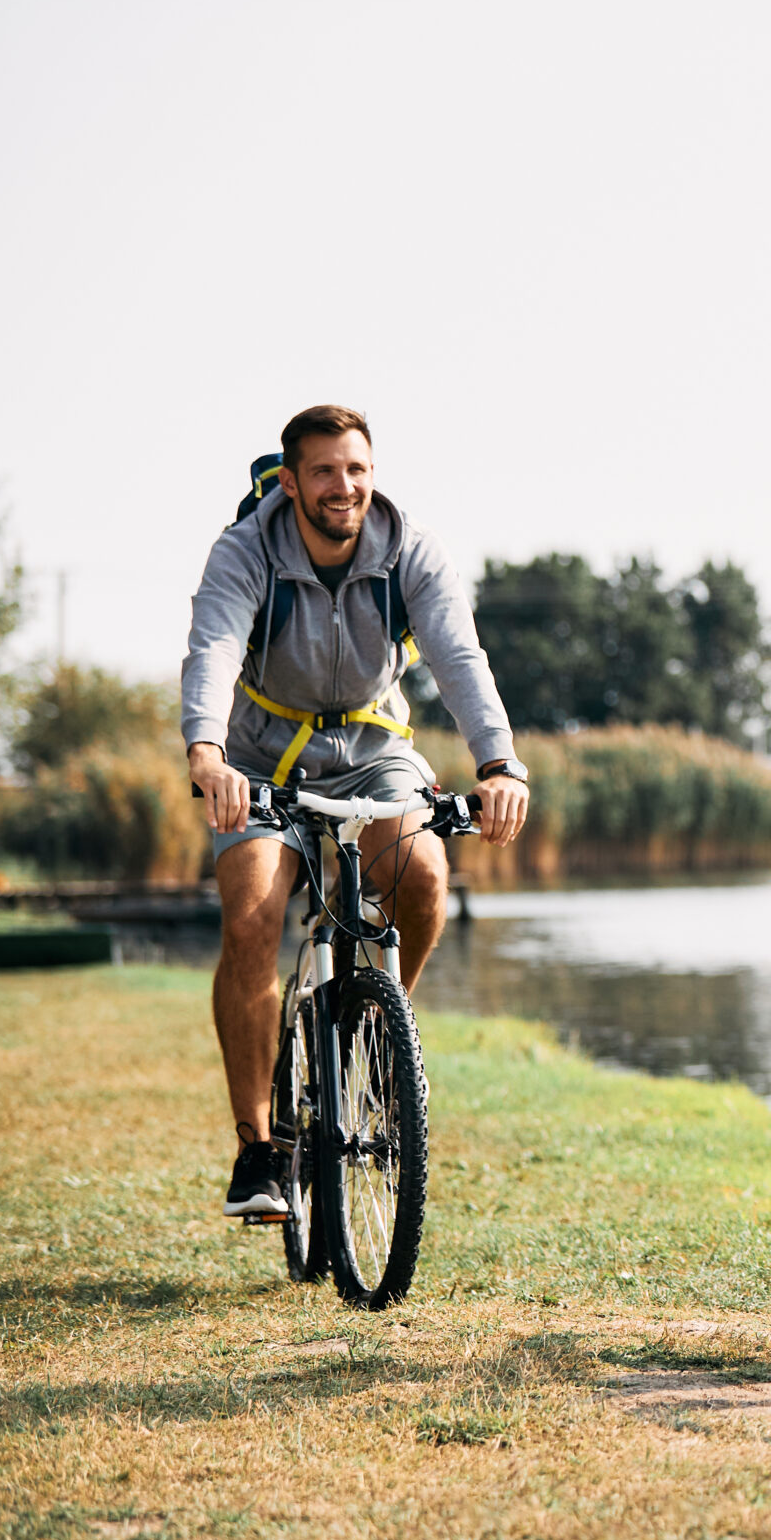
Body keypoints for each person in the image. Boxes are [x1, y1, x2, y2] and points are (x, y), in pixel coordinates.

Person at [181, 404, 531, 1220]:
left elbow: (457, 655)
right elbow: (213, 649)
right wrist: (206, 751)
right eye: (326, 472)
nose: (346, 487)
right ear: (293, 480)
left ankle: (384, 1037)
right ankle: (258, 1148)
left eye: (357, 469)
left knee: (422, 873)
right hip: (260, 757)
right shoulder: (246, 552)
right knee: (252, 918)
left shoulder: (407, 548)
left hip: (375, 748)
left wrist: (499, 762)